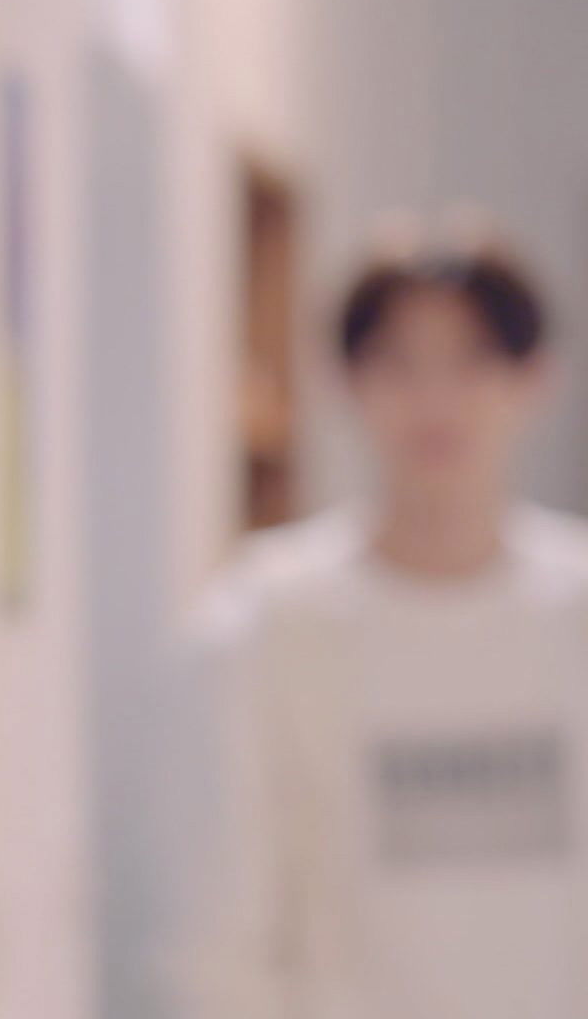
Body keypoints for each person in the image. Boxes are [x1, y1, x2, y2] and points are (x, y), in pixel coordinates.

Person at [179, 225, 588, 1018]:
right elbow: (223, 927)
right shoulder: (268, 619)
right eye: (399, 362)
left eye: (471, 359)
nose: (435, 399)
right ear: (346, 381)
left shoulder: (576, 609)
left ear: (535, 377)